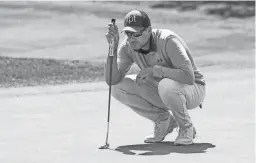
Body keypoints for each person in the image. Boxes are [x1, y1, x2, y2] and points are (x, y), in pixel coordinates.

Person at [104, 9, 206, 145]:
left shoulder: (168, 40)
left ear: (149, 30)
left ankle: (186, 128)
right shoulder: (128, 46)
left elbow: (189, 77)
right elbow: (112, 80)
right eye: (128, 34)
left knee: (166, 85)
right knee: (117, 87)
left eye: (136, 34)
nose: (131, 38)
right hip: (162, 88)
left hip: (193, 89)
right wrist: (112, 47)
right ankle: (164, 121)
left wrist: (154, 70)